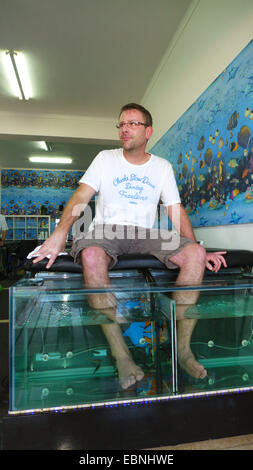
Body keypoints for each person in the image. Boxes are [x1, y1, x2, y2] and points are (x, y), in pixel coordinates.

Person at [32, 103, 227, 389]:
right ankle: (121, 354)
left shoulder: (161, 167)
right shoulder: (105, 158)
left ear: (148, 131)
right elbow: (80, 197)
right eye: (121, 124)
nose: (125, 128)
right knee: (92, 255)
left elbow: (175, 211)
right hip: (105, 231)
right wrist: (60, 234)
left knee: (195, 253)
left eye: (133, 124)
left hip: (146, 233)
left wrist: (196, 245)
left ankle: (182, 349)